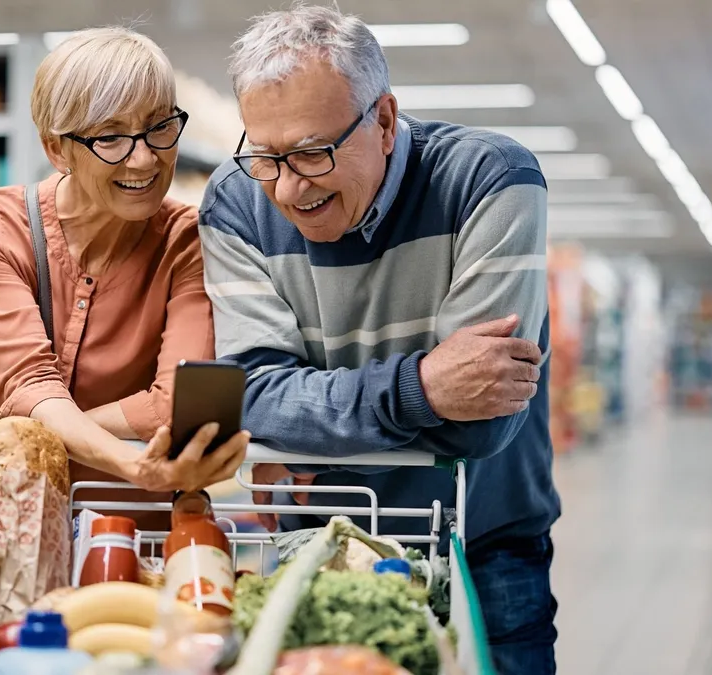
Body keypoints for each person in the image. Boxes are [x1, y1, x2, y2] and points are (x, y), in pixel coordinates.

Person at [199, 5, 560, 674]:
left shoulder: (491, 181)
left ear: (385, 120)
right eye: (265, 156)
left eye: (311, 152)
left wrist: (316, 420)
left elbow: (482, 428)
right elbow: (253, 397)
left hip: (481, 550)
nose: (285, 186)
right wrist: (423, 389)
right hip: (316, 551)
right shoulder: (234, 202)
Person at [0, 27, 249, 644]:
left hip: (128, 554)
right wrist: (129, 459)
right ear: (57, 148)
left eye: (160, 127)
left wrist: (4, 444)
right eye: (111, 138)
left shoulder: (190, 241)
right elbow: (29, 385)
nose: (145, 158)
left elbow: (171, 401)